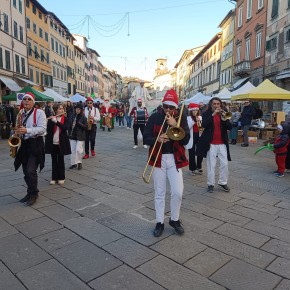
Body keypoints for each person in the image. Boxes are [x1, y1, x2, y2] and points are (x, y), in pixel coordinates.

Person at [143, 89, 190, 237]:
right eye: (166, 106)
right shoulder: (154, 117)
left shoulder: (181, 118)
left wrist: (175, 124)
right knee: (160, 192)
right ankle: (159, 222)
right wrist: (157, 139)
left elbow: (186, 140)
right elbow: (145, 137)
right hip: (159, 157)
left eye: (171, 107)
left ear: (176, 107)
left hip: (174, 159)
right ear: (162, 105)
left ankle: (174, 219)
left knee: (177, 192)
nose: (168, 110)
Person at [14, 92, 46, 206]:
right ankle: (29, 192)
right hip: (25, 143)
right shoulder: (21, 113)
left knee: (30, 170)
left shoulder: (40, 112)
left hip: (35, 143)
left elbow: (42, 129)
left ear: (33, 102)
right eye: (24, 99)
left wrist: (27, 130)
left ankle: (34, 194)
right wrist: (17, 132)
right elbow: (19, 127)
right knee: (24, 171)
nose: (26, 101)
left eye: (29, 99)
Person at [196, 97, 232, 193]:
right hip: (211, 143)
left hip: (222, 143)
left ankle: (223, 182)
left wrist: (225, 119)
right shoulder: (207, 114)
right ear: (211, 105)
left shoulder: (223, 114)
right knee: (211, 165)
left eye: (218, 104)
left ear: (220, 105)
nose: (216, 105)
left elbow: (230, 127)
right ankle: (210, 184)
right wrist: (213, 115)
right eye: (214, 104)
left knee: (225, 164)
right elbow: (203, 125)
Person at [45, 104, 71, 185]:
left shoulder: (66, 119)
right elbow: (48, 131)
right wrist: (47, 122)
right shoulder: (52, 119)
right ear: (56, 110)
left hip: (61, 143)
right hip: (53, 142)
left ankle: (61, 177)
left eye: (62, 108)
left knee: (61, 160)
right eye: (60, 109)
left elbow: (65, 128)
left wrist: (56, 122)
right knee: (53, 161)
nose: (62, 110)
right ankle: (54, 177)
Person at [185, 103, 203, 175]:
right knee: (191, 153)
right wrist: (194, 121)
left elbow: (202, 127)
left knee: (200, 151)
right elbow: (188, 127)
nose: (195, 112)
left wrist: (200, 122)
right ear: (191, 111)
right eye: (193, 110)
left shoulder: (200, 117)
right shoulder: (188, 118)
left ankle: (199, 166)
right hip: (192, 136)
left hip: (199, 135)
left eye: (196, 110)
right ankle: (192, 168)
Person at [68, 103, 87, 170]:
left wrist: (78, 123)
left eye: (79, 109)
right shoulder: (72, 116)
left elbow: (86, 127)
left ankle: (79, 163)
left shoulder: (84, 117)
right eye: (76, 109)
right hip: (73, 135)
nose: (77, 110)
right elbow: (69, 125)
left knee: (78, 150)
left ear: (81, 110)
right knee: (73, 150)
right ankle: (73, 163)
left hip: (80, 136)